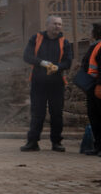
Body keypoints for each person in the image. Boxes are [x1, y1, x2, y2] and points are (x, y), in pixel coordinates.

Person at [21, 15, 74, 152]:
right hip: (38, 82)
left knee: (56, 113)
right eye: (55, 24)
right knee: (37, 113)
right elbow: (27, 56)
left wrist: (58, 67)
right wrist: (42, 63)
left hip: (56, 83)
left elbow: (68, 62)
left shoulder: (65, 42)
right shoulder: (36, 38)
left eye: (60, 24)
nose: (57, 26)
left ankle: (56, 142)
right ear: (47, 25)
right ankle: (32, 142)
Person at [79, 23, 101, 156]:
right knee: (94, 117)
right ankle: (98, 146)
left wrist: (99, 85)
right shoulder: (94, 46)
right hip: (91, 87)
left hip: (97, 87)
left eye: (90, 30)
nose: (89, 33)